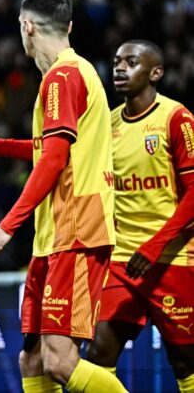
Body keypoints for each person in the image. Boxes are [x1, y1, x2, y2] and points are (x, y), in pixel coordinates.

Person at [0, 0, 125, 393]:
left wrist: (7, 226)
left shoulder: (64, 77)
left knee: (60, 362)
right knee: (33, 359)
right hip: (53, 236)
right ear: (69, 26)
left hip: (76, 230)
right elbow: (53, 148)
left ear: (26, 26)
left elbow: (55, 159)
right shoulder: (73, 73)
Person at [84, 40, 194, 391]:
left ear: (155, 72)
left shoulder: (177, 117)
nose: (119, 68)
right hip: (123, 259)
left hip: (173, 257)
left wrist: (154, 247)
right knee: (98, 353)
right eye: (117, 61)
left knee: (184, 360)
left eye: (131, 62)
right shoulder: (109, 122)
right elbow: (61, 153)